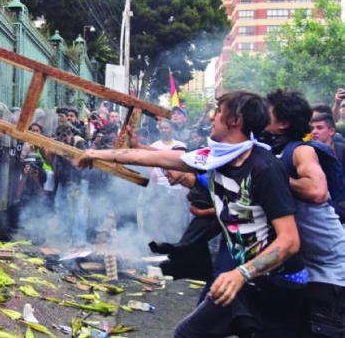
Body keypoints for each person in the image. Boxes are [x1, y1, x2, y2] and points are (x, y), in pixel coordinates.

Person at [74, 90, 307, 337]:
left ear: (235, 120)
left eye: (218, 112)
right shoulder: (213, 157)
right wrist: (94, 154)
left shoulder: (265, 168)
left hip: (280, 287)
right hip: (244, 282)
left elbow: (290, 241)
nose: (211, 119)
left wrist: (242, 273)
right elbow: (148, 157)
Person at [264, 89, 345, 337]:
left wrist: (277, 179)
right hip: (307, 270)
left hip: (332, 274)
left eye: (267, 111)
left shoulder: (301, 150)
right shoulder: (271, 150)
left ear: (283, 123)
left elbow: (318, 190)